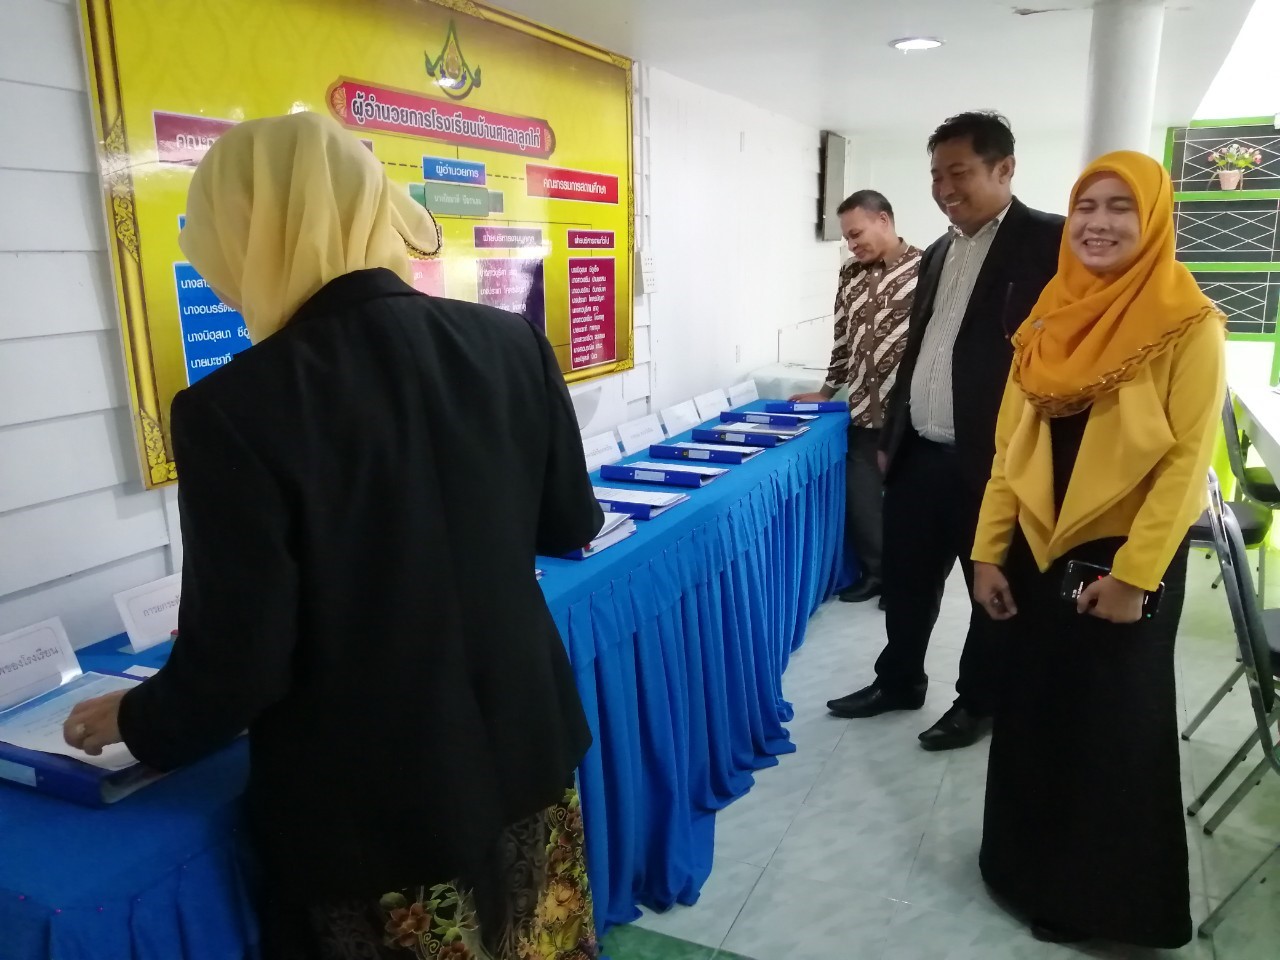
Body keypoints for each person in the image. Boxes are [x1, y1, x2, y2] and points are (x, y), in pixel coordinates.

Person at [63, 112, 604, 960]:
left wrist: (137, 717)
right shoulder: (509, 342)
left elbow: (242, 664)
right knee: (538, 940)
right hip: (526, 743)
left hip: (379, 802)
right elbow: (570, 522)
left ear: (246, 235)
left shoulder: (233, 408)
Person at [971, 151, 1224, 948]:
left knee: (1112, 730)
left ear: (1153, 220)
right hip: (1035, 550)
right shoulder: (1048, 318)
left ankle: (1105, 906)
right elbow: (1008, 450)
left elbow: (1186, 466)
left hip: (1123, 560)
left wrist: (1134, 577)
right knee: (1036, 713)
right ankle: (1020, 871)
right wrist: (987, 552)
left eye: (1121, 208)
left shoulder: (1189, 323)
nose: (1099, 224)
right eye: (1087, 206)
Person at [826, 112, 1064, 753]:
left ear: (1004, 168)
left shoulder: (1050, 242)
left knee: (991, 588)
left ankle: (978, 701)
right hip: (920, 455)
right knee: (906, 581)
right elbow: (920, 352)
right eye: (935, 175)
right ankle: (899, 680)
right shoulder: (938, 252)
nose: (943, 188)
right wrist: (892, 439)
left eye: (958, 172)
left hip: (995, 464)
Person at [792, 190, 922, 605]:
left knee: (910, 506)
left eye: (856, 234)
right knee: (863, 500)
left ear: (883, 220)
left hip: (911, 416)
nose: (852, 244)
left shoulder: (925, 268)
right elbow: (843, 339)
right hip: (864, 411)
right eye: (847, 237)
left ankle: (906, 583)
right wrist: (825, 392)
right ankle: (876, 573)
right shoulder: (850, 273)